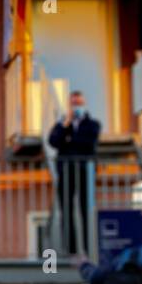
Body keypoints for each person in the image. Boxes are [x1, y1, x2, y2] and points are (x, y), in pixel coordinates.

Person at [48, 90, 101, 253]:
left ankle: (87, 247)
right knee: (66, 210)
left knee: (86, 209)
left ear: (84, 104)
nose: (76, 106)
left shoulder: (93, 124)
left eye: (78, 103)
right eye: (73, 103)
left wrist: (69, 140)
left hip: (85, 172)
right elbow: (53, 141)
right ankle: (70, 249)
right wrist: (66, 126)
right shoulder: (62, 124)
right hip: (65, 172)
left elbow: (88, 142)